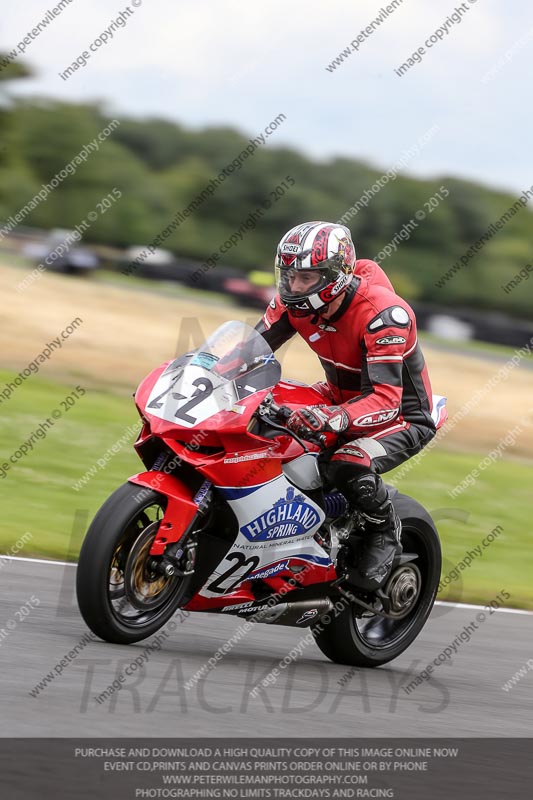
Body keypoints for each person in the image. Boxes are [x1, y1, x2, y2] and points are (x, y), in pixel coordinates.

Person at [255, 221, 443, 590]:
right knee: (264, 418)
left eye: (307, 277)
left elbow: (386, 399)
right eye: (289, 275)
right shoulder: (295, 303)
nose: (294, 286)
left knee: (347, 461)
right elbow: (247, 353)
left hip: (401, 416)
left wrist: (333, 417)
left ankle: (383, 530)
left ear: (336, 275)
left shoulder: (384, 314)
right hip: (338, 399)